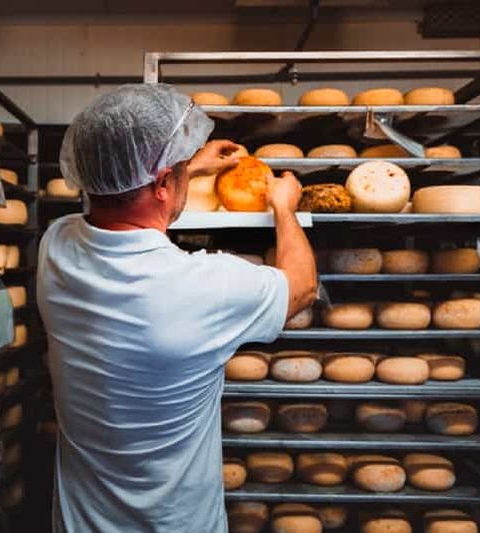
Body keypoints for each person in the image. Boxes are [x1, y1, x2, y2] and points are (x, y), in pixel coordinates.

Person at [37, 83, 317, 532]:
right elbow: (301, 288)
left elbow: (109, 198)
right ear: (164, 183)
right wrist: (284, 208)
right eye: (179, 171)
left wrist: (188, 166)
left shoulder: (55, 246)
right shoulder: (206, 286)